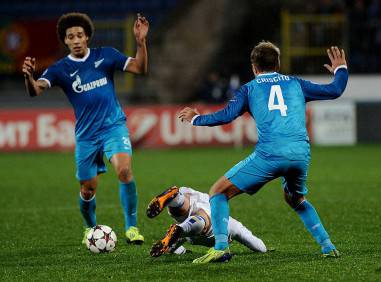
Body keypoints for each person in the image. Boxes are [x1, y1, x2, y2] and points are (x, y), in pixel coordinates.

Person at [179, 42, 348, 263]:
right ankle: (327, 246)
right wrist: (341, 69)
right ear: (277, 63)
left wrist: (196, 118)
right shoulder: (296, 83)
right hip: (300, 153)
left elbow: (226, 115)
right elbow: (335, 90)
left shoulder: (249, 88)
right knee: (295, 199)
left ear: (254, 67)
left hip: (270, 154)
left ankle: (221, 247)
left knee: (218, 192)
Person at [22, 12, 149, 245]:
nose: (76, 39)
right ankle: (91, 230)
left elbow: (140, 68)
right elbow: (36, 90)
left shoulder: (106, 55)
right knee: (88, 189)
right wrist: (30, 78)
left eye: (80, 35)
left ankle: (132, 228)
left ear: (87, 36)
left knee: (124, 171)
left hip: (113, 127)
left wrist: (140, 42)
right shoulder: (60, 69)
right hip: (86, 137)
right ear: (66, 41)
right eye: (71, 36)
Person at [146, 186, 267, 258]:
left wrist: (180, 250)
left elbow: (170, 246)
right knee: (203, 223)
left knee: (184, 214)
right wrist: (264, 250)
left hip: (198, 197)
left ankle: (176, 199)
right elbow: (259, 246)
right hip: (204, 219)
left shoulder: (180, 239)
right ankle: (182, 226)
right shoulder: (234, 226)